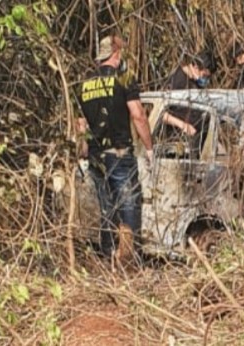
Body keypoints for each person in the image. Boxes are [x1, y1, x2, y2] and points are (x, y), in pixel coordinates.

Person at [76, 35, 153, 259]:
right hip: (119, 153)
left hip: (95, 156)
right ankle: (130, 259)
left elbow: (80, 124)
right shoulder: (124, 78)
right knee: (128, 202)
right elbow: (138, 115)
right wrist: (149, 147)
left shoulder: (84, 84)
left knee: (106, 205)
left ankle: (108, 254)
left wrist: (83, 151)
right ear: (117, 53)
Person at [161, 50, 218, 152]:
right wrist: (183, 126)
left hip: (197, 140)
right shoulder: (177, 81)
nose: (205, 79)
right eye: (204, 75)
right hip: (178, 143)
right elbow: (162, 114)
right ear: (195, 67)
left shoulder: (196, 83)